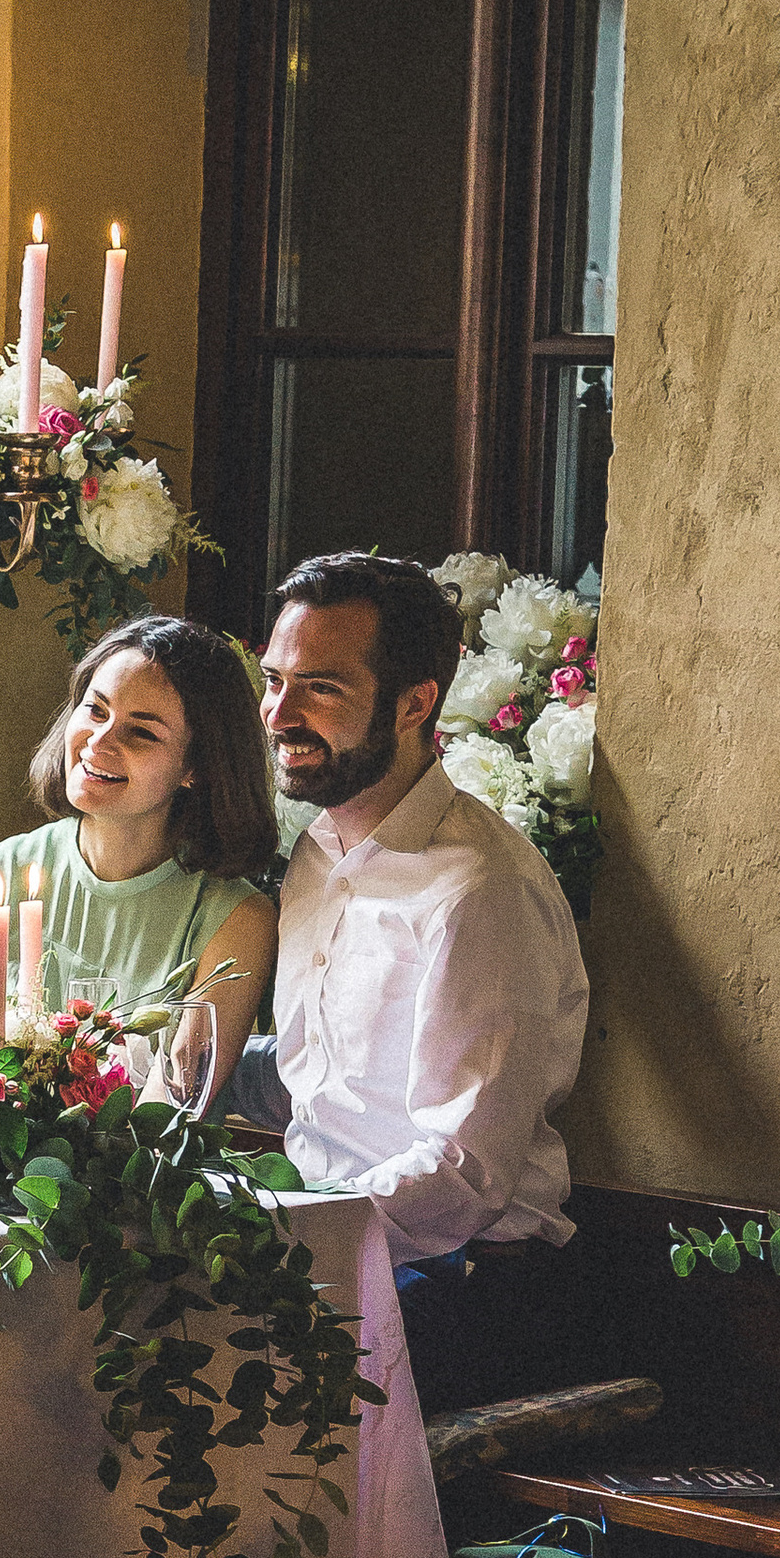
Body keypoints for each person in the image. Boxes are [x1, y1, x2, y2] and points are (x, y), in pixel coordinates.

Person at [258, 551, 589, 1409]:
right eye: (273, 680)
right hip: (331, 1257)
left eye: (319, 689)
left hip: (463, 1288)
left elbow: (464, 1174)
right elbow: (326, 1085)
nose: (279, 714)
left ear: (415, 704)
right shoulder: (316, 853)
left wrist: (280, 1240)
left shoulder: (479, 887)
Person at [0, 616, 279, 1108]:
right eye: (95, 710)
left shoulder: (238, 920)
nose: (99, 741)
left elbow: (167, 1118)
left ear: (195, 768)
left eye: (141, 733)